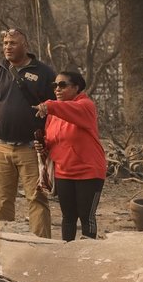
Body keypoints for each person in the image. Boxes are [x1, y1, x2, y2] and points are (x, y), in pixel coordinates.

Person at [0, 28, 56, 238]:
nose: (8, 47)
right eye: (5, 43)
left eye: (13, 43)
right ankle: (2, 244)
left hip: (32, 147)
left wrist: (50, 142)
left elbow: (56, 110)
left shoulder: (43, 73)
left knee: (37, 198)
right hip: (0, 146)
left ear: (25, 45)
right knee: (1, 199)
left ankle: (41, 244)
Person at [33, 70, 107, 241]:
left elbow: (68, 109)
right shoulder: (54, 113)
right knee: (68, 218)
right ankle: (67, 254)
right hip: (64, 172)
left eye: (62, 85)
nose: (57, 89)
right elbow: (52, 139)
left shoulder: (85, 106)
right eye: (55, 85)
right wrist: (42, 145)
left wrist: (48, 105)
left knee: (86, 216)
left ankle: (87, 256)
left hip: (89, 171)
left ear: (76, 87)